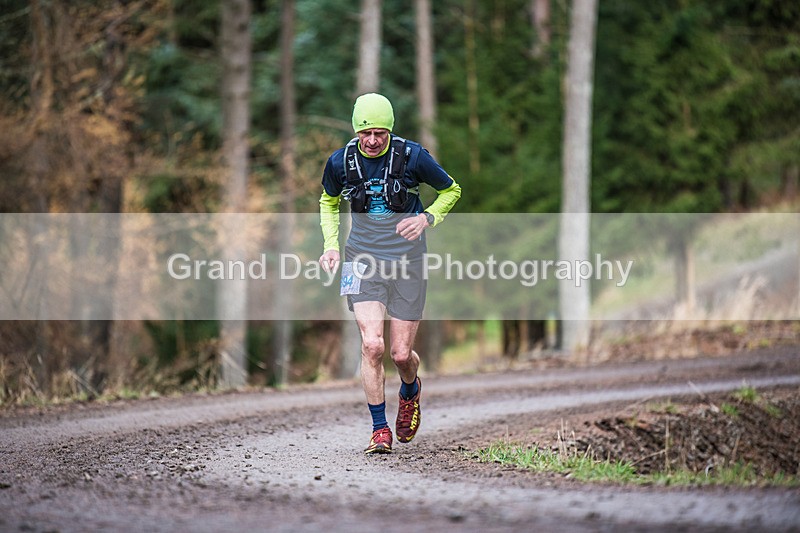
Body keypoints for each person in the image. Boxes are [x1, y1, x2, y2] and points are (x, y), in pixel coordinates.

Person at [318, 93, 461, 454]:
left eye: (380, 133)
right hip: (360, 259)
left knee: (400, 354)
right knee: (371, 345)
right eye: (366, 133)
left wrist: (426, 217)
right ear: (356, 131)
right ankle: (379, 429)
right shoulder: (340, 162)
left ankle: (410, 390)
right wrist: (330, 245)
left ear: (389, 131)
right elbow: (328, 201)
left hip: (408, 261)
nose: (372, 140)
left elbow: (451, 189)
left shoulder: (413, 157)